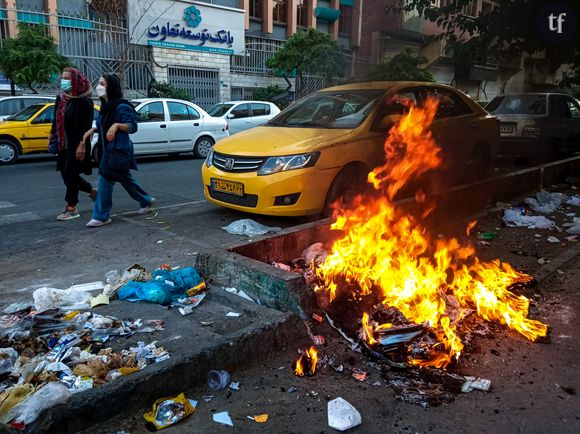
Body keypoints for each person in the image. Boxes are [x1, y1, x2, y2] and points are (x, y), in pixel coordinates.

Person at [82, 74, 156, 228]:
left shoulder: (122, 107)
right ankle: (146, 200)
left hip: (119, 151)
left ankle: (101, 216)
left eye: (102, 83)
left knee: (105, 180)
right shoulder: (105, 106)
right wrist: (92, 130)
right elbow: (102, 124)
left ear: (111, 86)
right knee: (125, 179)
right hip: (107, 151)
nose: (99, 86)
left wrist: (116, 126)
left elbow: (132, 126)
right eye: (98, 83)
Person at [50, 67, 96, 221]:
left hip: (77, 143)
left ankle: (71, 207)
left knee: (70, 173)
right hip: (63, 143)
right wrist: (52, 135)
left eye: (67, 78)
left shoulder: (84, 101)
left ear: (75, 81)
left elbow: (87, 126)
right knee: (66, 173)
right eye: (62, 78)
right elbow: (56, 119)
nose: (64, 81)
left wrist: (82, 144)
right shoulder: (61, 98)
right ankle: (90, 190)